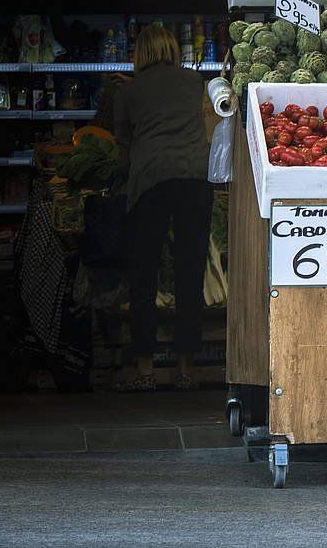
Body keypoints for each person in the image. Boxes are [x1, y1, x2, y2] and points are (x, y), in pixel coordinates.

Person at [113, 25, 212, 392]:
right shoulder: (193, 81)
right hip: (194, 178)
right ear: (171, 48)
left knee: (145, 275)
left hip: (150, 181)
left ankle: (145, 367)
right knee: (190, 274)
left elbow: (123, 143)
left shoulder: (128, 90)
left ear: (140, 53)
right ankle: (186, 367)